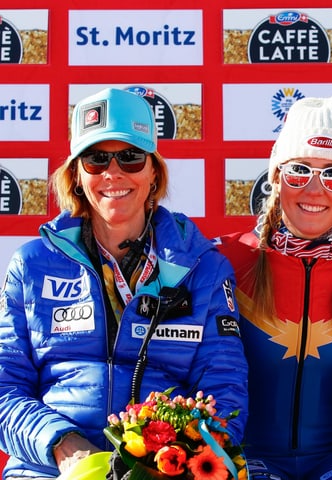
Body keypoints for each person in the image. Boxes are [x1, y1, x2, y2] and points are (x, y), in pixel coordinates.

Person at [0, 87, 249, 479]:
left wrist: (176, 462)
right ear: (77, 176)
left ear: (154, 173)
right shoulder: (31, 265)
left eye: (131, 158)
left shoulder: (204, 269)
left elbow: (225, 388)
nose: (113, 173)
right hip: (49, 468)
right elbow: (4, 387)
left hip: (164, 468)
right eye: (96, 159)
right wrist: (63, 446)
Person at [216, 95, 332, 480]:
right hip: (242, 458)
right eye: (299, 171)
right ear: (275, 177)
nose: (314, 189)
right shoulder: (224, 260)